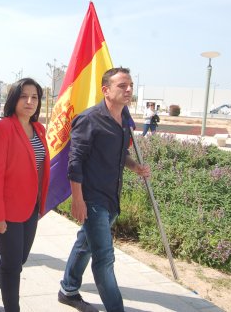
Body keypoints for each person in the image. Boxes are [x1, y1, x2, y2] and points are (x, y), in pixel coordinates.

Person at [58, 67, 150, 312]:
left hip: (112, 198)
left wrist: (135, 167)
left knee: (85, 244)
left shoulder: (123, 120)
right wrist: (78, 200)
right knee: (104, 259)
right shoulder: (89, 119)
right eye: (122, 85)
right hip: (92, 199)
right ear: (105, 90)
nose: (128, 89)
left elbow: (121, 154)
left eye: (130, 85)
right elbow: (75, 162)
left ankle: (68, 289)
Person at [0, 78, 50, 312]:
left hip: (29, 207)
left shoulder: (39, 129)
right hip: (4, 209)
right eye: (23, 96)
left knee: (19, 260)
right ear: (14, 99)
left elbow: (39, 168)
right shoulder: (3, 128)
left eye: (35, 97)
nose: (29, 101)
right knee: (11, 265)